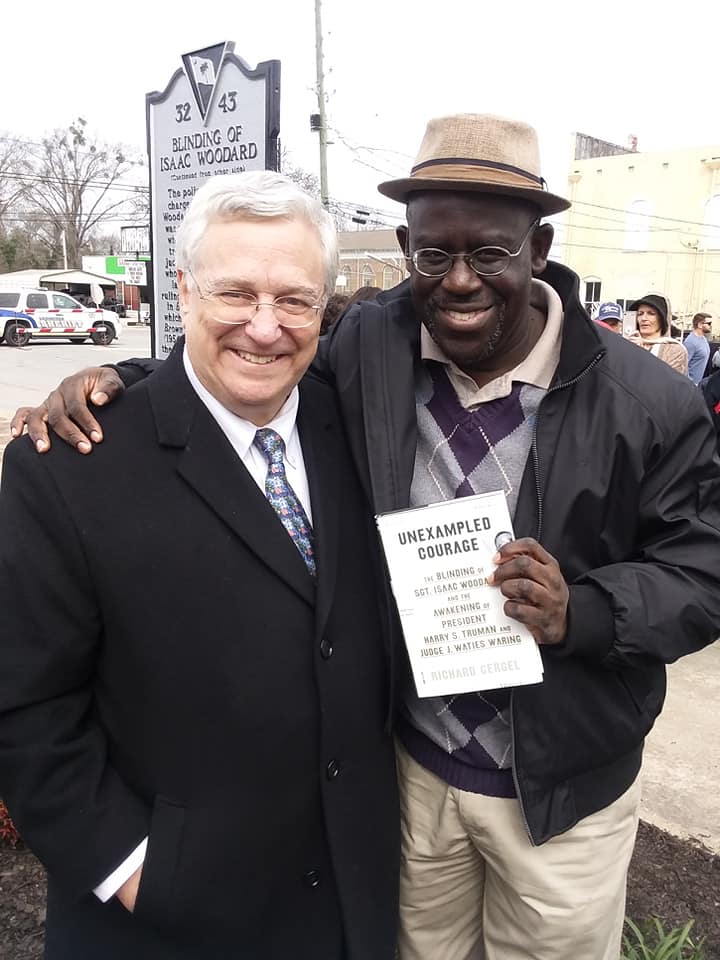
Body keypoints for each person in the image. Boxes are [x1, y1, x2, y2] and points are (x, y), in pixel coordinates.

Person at [11, 114, 720, 960]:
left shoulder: (648, 401)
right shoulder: (373, 349)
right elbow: (248, 358)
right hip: (413, 777)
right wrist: (119, 384)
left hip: (561, 790)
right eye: (434, 254)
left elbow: (703, 571)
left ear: (538, 248)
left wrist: (588, 610)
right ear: (405, 246)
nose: (460, 280)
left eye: (490, 252)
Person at [0, 172, 400, 960]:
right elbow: (25, 706)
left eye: (293, 299)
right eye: (235, 294)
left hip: (348, 908)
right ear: (182, 292)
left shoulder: (354, 425)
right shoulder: (69, 464)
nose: (264, 326)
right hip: (164, 922)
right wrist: (132, 867)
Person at [628, 293, 689, 374]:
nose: (643, 318)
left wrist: (640, 353)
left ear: (662, 319)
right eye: (640, 314)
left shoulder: (675, 350)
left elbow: (665, 381)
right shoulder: (628, 343)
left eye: (651, 313)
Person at [684, 312, 712, 383]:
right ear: (700, 325)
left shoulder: (703, 338)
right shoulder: (690, 342)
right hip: (690, 385)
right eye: (709, 323)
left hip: (699, 382)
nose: (710, 326)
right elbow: (683, 365)